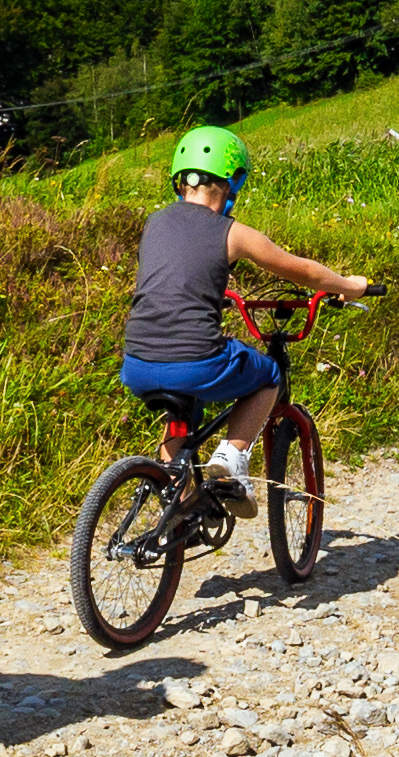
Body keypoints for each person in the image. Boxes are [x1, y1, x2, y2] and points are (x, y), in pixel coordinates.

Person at [116, 122, 373, 513]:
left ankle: (177, 505)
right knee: (268, 375)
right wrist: (348, 284)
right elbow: (300, 270)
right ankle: (231, 458)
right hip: (195, 360)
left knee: (184, 410)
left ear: (178, 180)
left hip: (136, 363)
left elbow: (171, 280)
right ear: (233, 181)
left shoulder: (154, 223)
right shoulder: (232, 233)